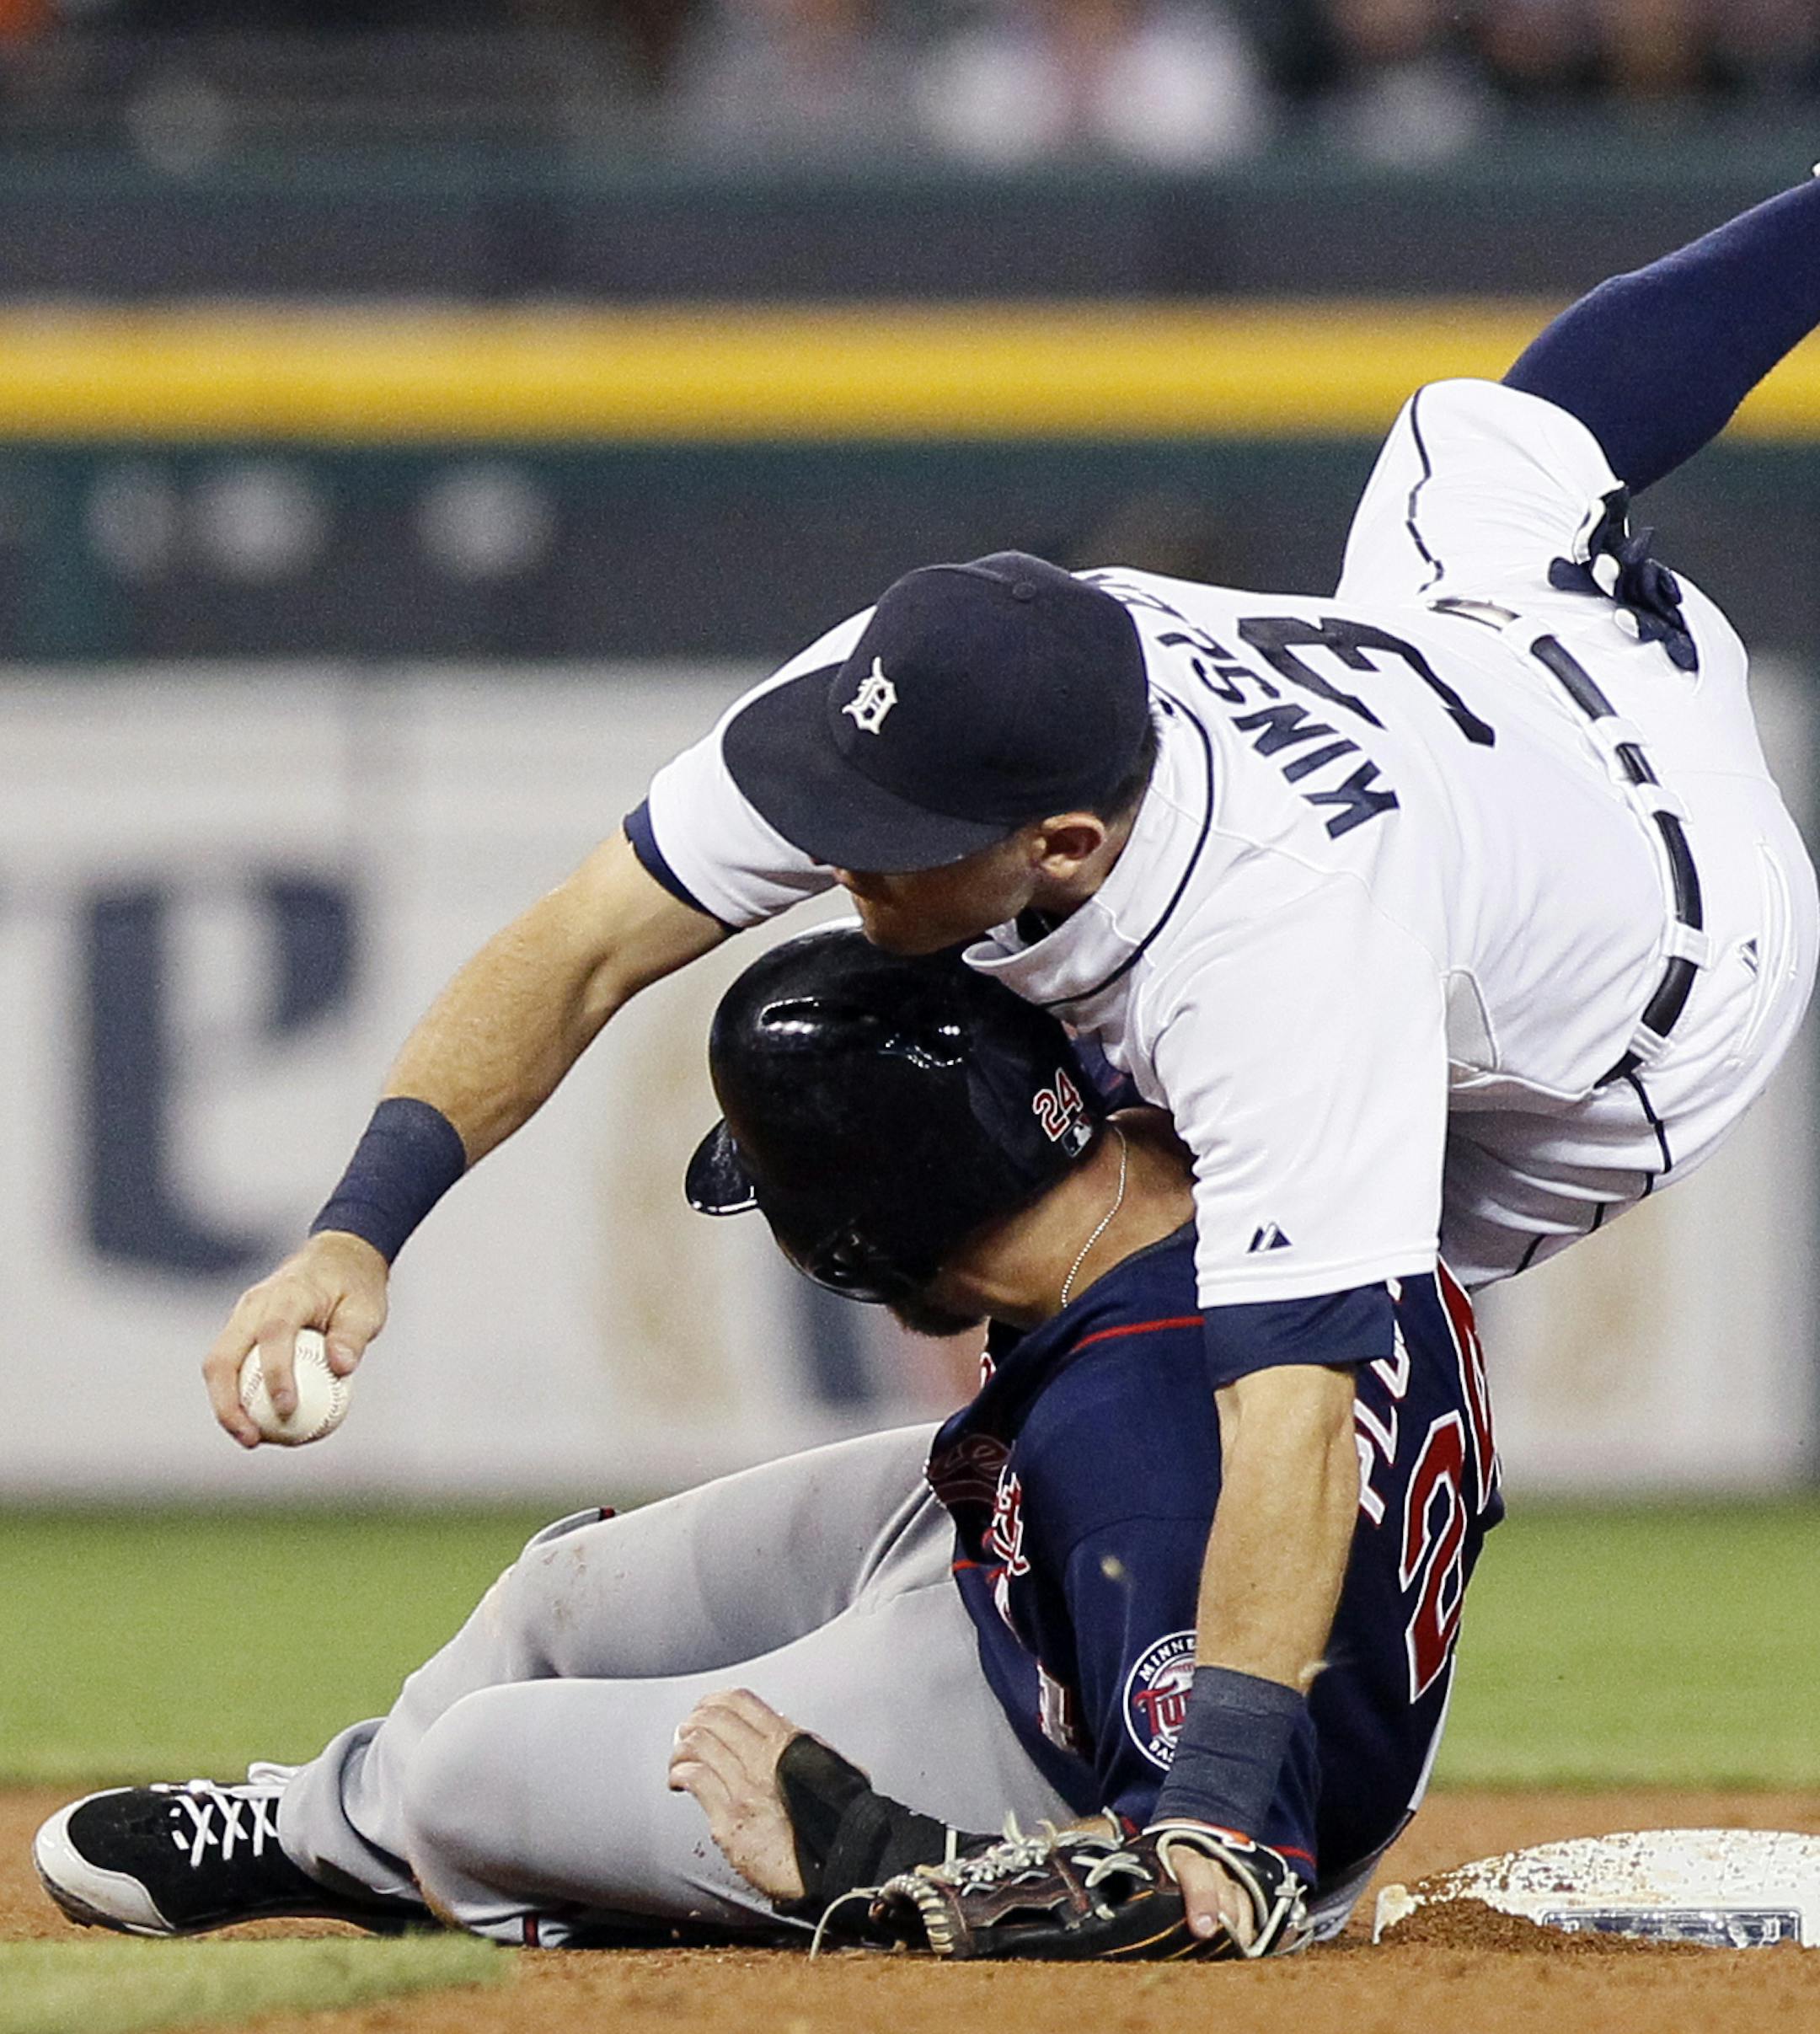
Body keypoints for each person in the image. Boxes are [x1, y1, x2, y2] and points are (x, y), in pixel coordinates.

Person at [201, 185, 1820, 1940]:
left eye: (893, 843)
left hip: (1647, 999)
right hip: (1507, 666)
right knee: (1491, 435)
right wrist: (358, 1226)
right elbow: (585, 939)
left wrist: (1213, 1817)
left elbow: (1298, 1401)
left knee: (1231, 1324)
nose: (837, 860)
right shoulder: (952, 671)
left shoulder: (1283, 967)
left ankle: (1226, 1813)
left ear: (1056, 842)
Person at [38, 931, 1500, 1952]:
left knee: (471, 1775)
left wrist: (863, 1853)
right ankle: (321, 1827)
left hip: (1100, 1760)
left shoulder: (1137, 1454)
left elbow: (1197, 1881)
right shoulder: (1217, 1136)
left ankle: (438, 1845)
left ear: (862, 1247)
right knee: (565, 1594)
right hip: (1050, 1565)